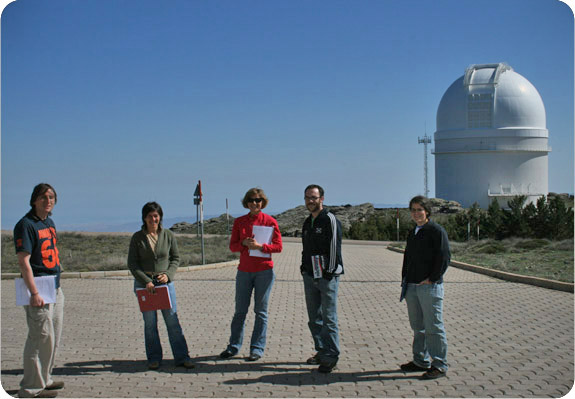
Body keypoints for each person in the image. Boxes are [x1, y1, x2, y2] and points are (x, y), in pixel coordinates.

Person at [128, 201, 194, 370]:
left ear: (160, 217)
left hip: (165, 284)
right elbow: (133, 264)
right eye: (150, 216)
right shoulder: (137, 237)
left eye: (156, 216)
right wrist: (146, 281)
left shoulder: (168, 235)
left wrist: (168, 274)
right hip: (145, 285)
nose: (153, 219)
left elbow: (175, 258)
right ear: (144, 218)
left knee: (172, 320)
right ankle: (154, 358)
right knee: (150, 323)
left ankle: (182, 357)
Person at [219, 188, 282, 361]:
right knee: (240, 311)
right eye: (252, 200)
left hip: (264, 272)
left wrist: (261, 247)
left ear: (263, 202)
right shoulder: (239, 222)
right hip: (244, 272)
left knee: (261, 311)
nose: (255, 203)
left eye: (259, 200)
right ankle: (233, 346)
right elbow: (232, 246)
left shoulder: (270, 221)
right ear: (246, 202)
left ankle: (257, 348)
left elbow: (278, 246)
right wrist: (244, 244)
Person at [14, 183, 65, 398]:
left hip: (55, 287)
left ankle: (46, 378)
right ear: (34, 200)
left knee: (53, 336)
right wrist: (34, 292)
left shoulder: (49, 222)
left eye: (51, 196)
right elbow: (24, 262)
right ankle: (30, 388)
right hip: (39, 288)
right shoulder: (25, 225)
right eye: (43, 197)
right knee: (39, 337)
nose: (48, 200)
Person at [400, 195, 450, 380]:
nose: (416, 213)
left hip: (429, 287)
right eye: (413, 210)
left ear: (427, 211)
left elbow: (444, 257)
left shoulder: (436, 231)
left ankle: (439, 364)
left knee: (433, 326)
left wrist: (433, 278)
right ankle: (420, 360)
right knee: (418, 327)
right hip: (411, 286)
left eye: (419, 209)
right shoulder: (414, 231)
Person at [300, 184, 343, 373]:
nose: (311, 201)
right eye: (308, 197)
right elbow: (306, 248)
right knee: (314, 318)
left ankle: (331, 356)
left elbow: (335, 247)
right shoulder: (308, 222)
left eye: (314, 197)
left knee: (329, 318)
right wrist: (304, 269)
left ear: (322, 199)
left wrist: (329, 272)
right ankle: (321, 351)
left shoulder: (330, 219)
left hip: (327, 278)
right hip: (310, 276)